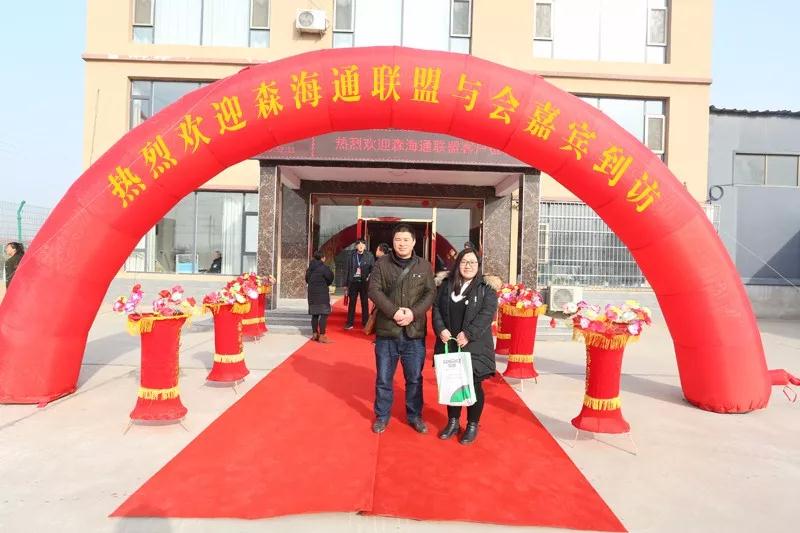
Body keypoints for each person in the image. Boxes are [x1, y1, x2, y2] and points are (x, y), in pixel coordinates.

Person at [368, 224, 435, 434]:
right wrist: (394, 312)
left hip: (414, 333)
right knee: (384, 378)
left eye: (406, 240)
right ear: (393, 242)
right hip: (387, 332)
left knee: (414, 378)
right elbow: (374, 290)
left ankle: (414, 415)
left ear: (414, 242)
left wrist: (413, 313)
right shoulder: (381, 264)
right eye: (398, 239)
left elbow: (430, 293)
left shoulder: (424, 266)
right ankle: (382, 416)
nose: (402, 244)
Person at [432, 248, 498, 445]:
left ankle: (472, 424)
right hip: (449, 343)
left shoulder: (486, 289)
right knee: (452, 382)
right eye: (464, 262)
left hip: (475, 345)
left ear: (478, 266)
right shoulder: (446, 285)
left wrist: (468, 334)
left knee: (473, 384)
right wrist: (441, 329)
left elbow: (487, 314)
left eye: (472, 262)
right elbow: (436, 309)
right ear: (457, 264)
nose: (468, 266)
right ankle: (453, 422)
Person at [343, 239, 375, 330]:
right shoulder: (351, 255)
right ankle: (349, 323)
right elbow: (347, 269)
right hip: (353, 281)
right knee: (352, 302)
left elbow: (373, 269)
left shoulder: (369, 256)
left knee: (364, 302)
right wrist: (345, 284)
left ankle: (365, 322)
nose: (361, 246)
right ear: (356, 246)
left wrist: (369, 278)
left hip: (364, 282)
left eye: (362, 245)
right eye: (359, 244)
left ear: (365, 246)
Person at [305, 251, 334, 343]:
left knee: (315, 314)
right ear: (322, 258)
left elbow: (307, 280)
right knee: (324, 314)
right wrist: (325, 283)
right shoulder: (324, 268)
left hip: (312, 293)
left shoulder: (310, 269)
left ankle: (315, 334)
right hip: (322, 293)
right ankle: (322, 335)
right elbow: (330, 278)